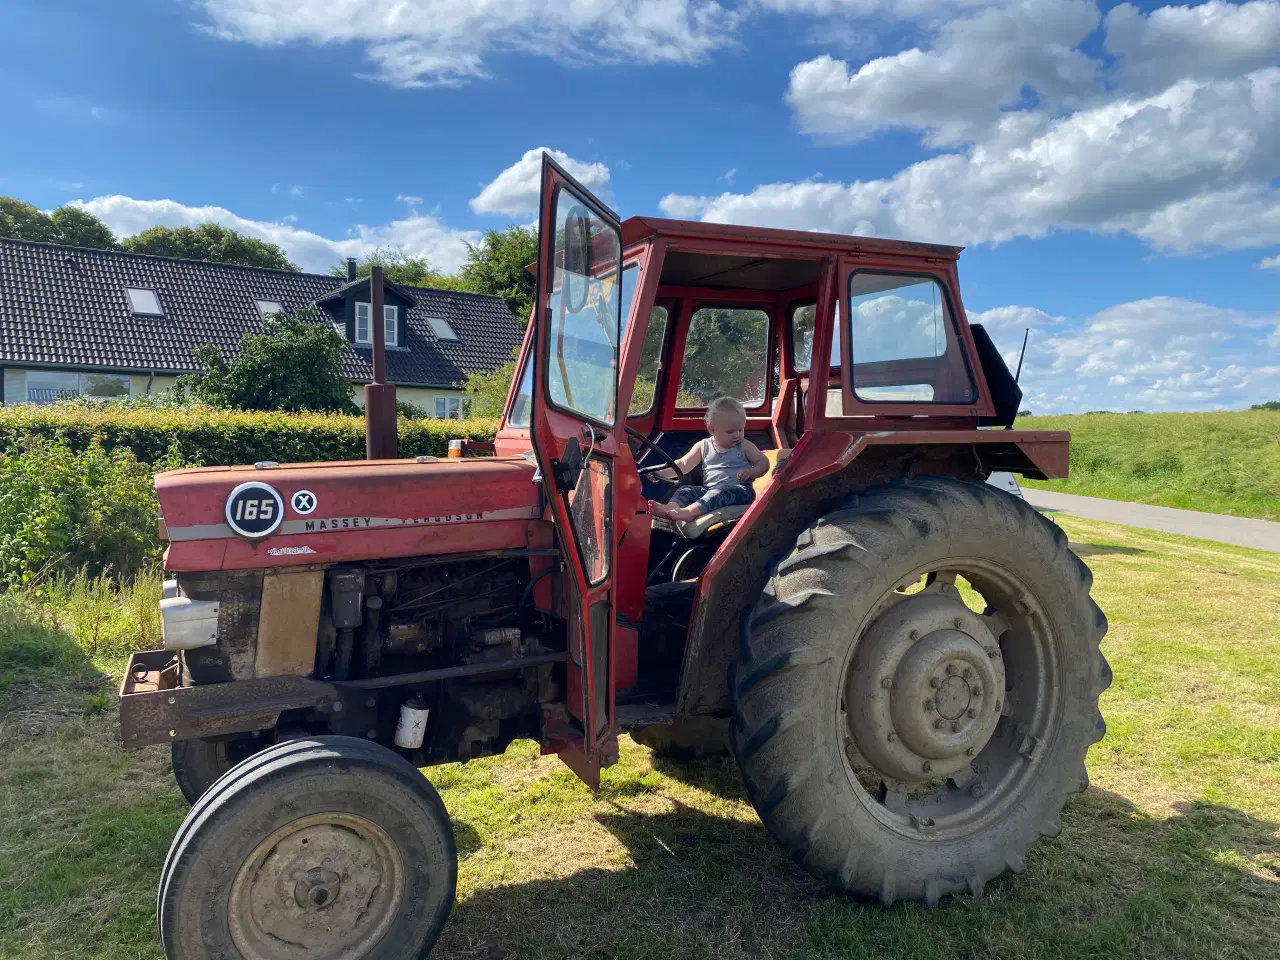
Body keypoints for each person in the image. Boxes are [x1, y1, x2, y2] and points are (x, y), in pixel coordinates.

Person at [648, 396, 769, 523]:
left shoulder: (744, 445)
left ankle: (690, 512)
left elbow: (763, 462)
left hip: (740, 490)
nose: (737, 435)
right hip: (710, 491)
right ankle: (670, 509)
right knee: (686, 490)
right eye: (730, 432)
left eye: (741, 429)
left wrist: (752, 472)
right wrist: (660, 473)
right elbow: (683, 464)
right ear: (712, 429)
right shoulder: (703, 446)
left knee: (720, 491)